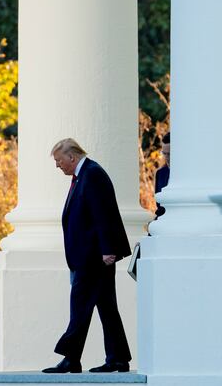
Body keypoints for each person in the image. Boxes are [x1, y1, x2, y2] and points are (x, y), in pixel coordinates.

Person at [42, 138, 133, 374]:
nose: (57, 166)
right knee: (106, 307)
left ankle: (70, 357)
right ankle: (118, 358)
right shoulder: (84, 175)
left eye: (59, 161)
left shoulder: (93, 174)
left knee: (80, 307)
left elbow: (102, 213)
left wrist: (108, 249)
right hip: (88, 256)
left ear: (72, 157)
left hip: (93, 257)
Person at [154, 132, 170, 218]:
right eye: (164, 153)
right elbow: (159, 206)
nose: (167, 157)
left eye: (170, 154)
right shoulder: (160, 173)